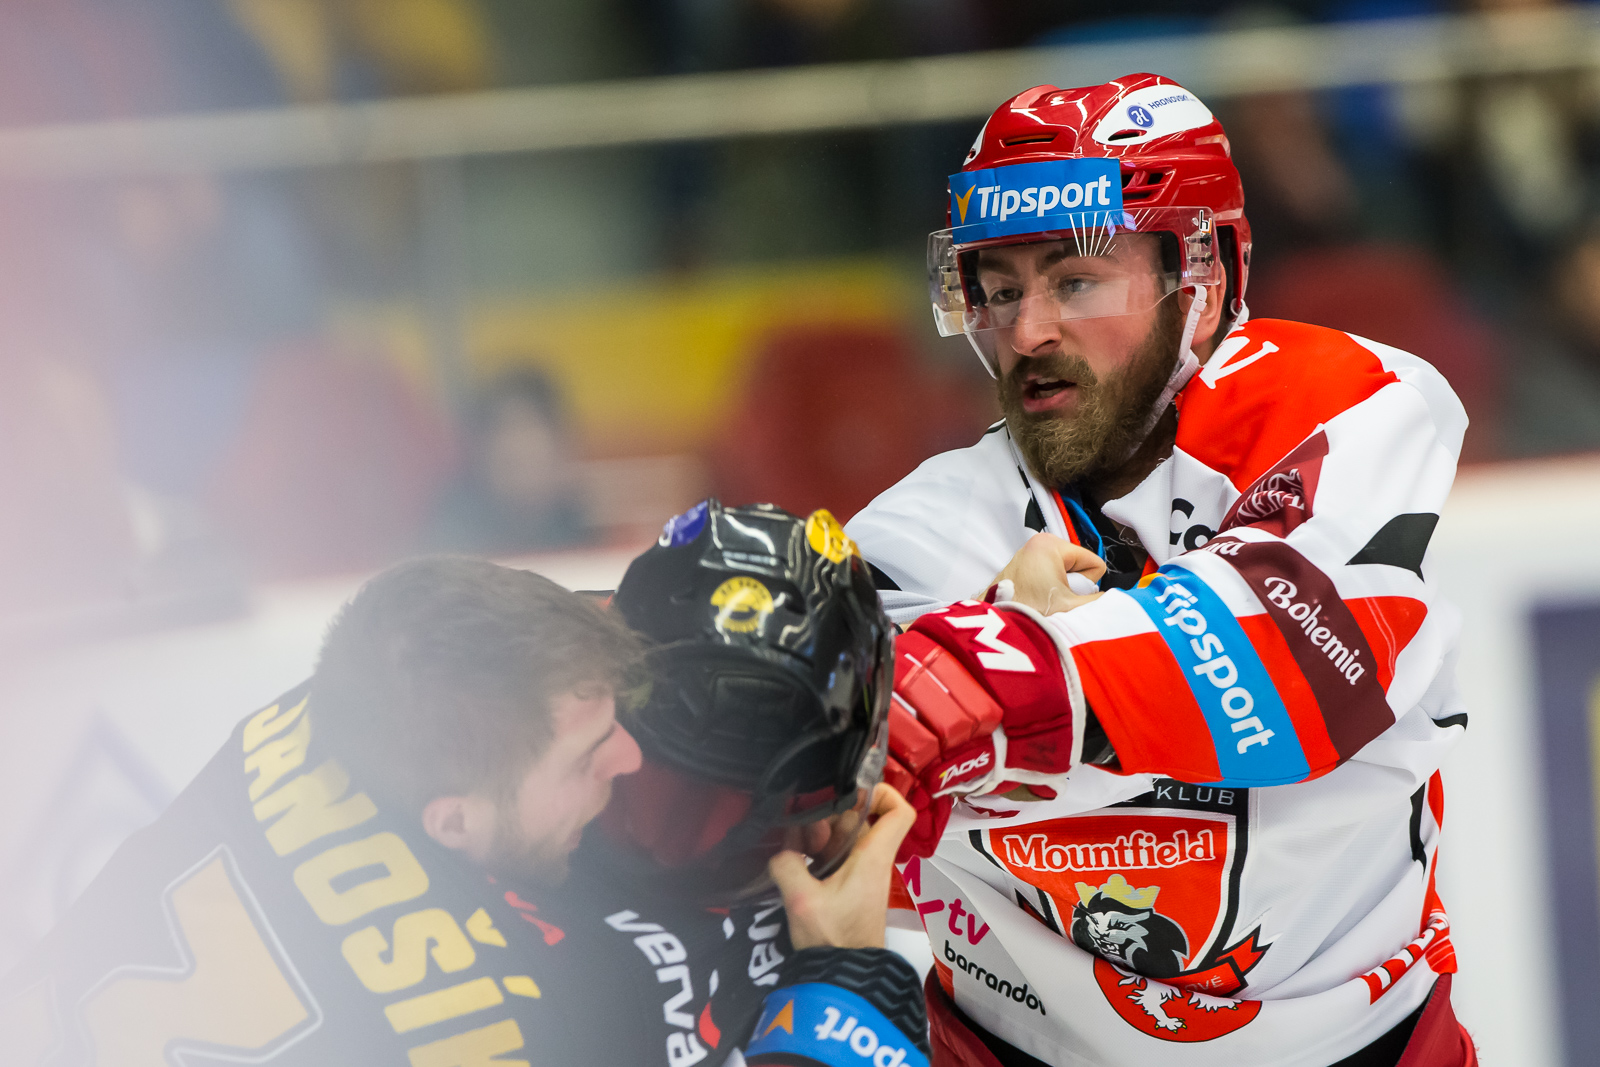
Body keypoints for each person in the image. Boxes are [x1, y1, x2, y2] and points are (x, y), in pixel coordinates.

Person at [844, 74, 1476, 1066]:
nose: (1026, 331)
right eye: (999, 288)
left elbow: (1297, 661)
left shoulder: (1347, 403)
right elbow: (825, 805)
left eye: (1075, 281)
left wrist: (1000, 660)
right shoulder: (920, 530)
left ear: (1204, 276)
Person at [0, 529, 928, 1067]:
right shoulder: (526, 1026)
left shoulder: (350, 705)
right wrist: (849, 983)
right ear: (456, 821)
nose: (629, 757)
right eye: (588, 755)